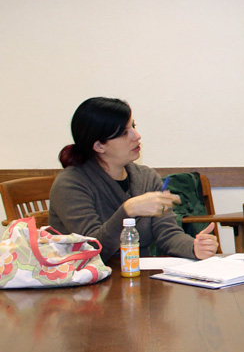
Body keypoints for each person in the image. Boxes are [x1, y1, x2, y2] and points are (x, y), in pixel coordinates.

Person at [49, 97, 219, 260]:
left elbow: (167, 233)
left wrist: (194, 247)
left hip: (140, 277)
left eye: (134, 126)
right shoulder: (70, 184)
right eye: (124, 133)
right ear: (99, 146)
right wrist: (128, 210)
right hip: (88, 283)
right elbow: (92, 251)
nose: (137, 135)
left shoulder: (146, 178)